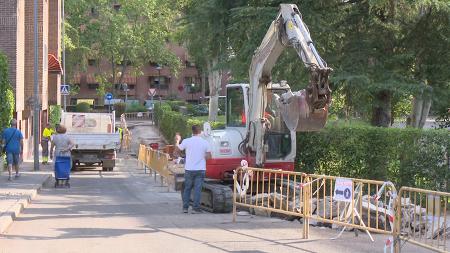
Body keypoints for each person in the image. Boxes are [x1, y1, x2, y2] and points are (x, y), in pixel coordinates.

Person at [175, 125, 212, 214]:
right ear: (200, 131)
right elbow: (209, 157)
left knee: (187, 188)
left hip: (189, 169)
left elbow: (178, 149)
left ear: (192, 131)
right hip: (200, 169)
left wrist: (177, 140)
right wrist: (203, 156)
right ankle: (196, 208)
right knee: (197, 189)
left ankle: (185, 208)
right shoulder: (205, 142)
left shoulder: (187, 141)